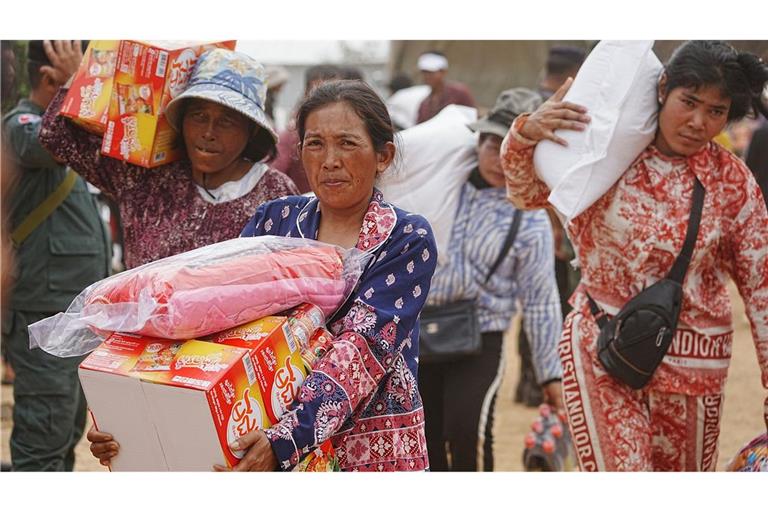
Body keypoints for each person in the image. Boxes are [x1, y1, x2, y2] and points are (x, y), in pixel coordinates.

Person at [87, 80, 438, 472]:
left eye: (348, 143)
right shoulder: (276, 220)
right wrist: (132, 419)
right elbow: (219, 326)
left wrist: (288, 437)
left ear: (383, 155)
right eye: (315, 143)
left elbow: (361, 351)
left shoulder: (405, 238)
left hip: (367, 450)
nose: (330, 160)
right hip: (256, 433)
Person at [502, 40, 768, 471]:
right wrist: (525, 135)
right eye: (689, 102)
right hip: (601, 348)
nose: (698, 122)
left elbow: (762, 291)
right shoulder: (605, 157)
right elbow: (526, 194)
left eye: (716, 112)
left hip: (695, 374)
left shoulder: (732, 182)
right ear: (663, 87)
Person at [39, 47, 298, 269]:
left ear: (250, 130)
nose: (208, 132)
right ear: (182, 119)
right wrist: (81, 80)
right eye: (198, 116)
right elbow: (57, 137)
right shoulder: (147, 180)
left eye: (226, 121)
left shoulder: (274, 194)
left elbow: (292, 276)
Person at [418, 88, 563, 471]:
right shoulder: (443, 187)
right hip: (421, 331)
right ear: (478, 142)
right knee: (424, 436)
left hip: (482, 336)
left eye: (510, 148)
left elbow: (541, 300)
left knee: (467, 430)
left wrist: (551, 373)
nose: (499, 158)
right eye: (492, 143)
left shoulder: (529, 218)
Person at [2, 40, 111, 471]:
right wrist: (77, 84)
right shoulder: (21, 125)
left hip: (68, 312)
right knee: (43, 432)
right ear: (52, 78)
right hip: (42, 312)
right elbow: (47, 141)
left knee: (65, 428)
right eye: (83, 73)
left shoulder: (68, 129)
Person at [515, 44, 587, 408]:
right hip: (546, 222)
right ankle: (543, 380)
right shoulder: (551, 106)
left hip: (542, 219)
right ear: (570, 73)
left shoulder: (532, 99)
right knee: (549, 303)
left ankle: (531, 383)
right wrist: (553, 227)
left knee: (538, 303)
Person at [272, 64, 344, 193]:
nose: (333, 98)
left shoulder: (352, 128)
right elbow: (275, 176)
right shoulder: (294, 132)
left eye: (338, 90)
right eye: (324, 91)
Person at [415, 51, 475, 124]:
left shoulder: (459, 93)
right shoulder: (424, 105)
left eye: (431, 73)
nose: (427, 76)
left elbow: (472, 119)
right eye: (424, 72)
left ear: (443, 72)